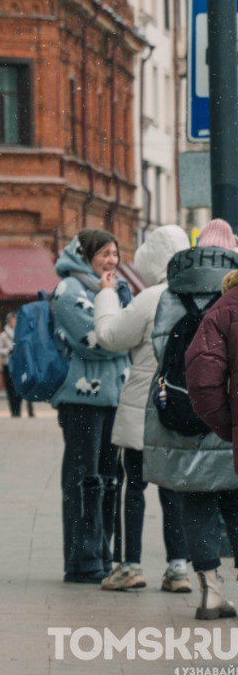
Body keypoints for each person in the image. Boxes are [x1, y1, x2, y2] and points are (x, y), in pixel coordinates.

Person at [90, 225, 193, 593]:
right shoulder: (195, 293)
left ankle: (130, 564)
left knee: (134, 486)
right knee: (173, 490)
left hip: (146, 406)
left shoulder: (152, 297)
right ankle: (178, 567)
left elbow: (112, 337)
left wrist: (105, 297)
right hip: (183, 406)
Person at [51, 230, 132, 584]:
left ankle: (104, 553)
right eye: (104, 254)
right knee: (84, 478)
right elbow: (97, 342)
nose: (111, 260)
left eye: (115, 254)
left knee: (110, 478)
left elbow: (123, 335)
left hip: (114, 396)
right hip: (82, 400)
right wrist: (122, 336)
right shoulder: (70, 290)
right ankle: (82, 559)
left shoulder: (116, 290)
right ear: (85, 255)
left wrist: (119, 330)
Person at [178, 224, 238, 619]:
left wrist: (226, 423)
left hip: (181, 423)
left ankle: (211, 589)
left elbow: (201, 376)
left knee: (197, 498)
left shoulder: (221, 305)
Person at [0, 312, 34, 418]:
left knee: (19, 387)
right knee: (10, 389)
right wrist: (8, 350)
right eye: (12, 320)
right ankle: (14, 410)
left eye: (15, 320)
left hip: (20, 365)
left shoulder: (23, 333)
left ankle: (19, 408)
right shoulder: (4, 335)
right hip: (8, 365)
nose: (14, 322)